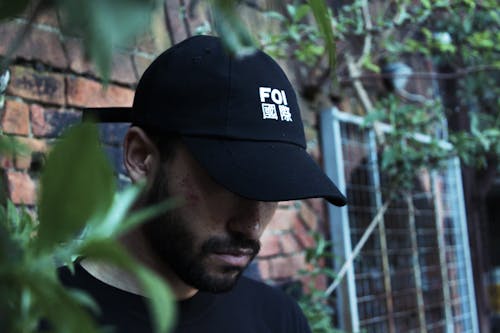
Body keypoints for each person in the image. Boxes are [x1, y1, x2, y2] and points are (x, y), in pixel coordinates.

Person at [61, 35, 346, 333]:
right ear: (141, 157)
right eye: (227, 181)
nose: (252, 226)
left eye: (271, 190)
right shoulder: (28, 316)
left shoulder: (279, 319)